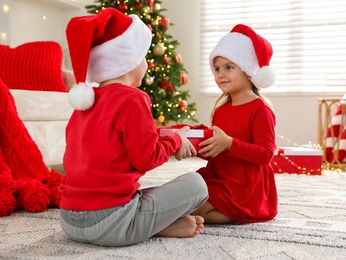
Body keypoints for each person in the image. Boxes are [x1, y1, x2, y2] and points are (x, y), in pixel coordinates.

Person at [59, 8, 208, 247]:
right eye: (143, 58)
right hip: (109, 223)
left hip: (69, 222)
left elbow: (113, 142)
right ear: (128, 62)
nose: (147, 65)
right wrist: (176, 141)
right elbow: (146, 158)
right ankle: (147, 225)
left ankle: (152, 223)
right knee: (196, 184)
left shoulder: (84, 104)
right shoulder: (133, 98)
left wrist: (163, 137)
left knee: (141, 193)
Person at [193, 24, 278, 224]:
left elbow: (265, 154)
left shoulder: (260, 110)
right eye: (217, 69)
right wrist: (200, 147)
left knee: (198, 210)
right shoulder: (221, 109)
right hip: (220, 175)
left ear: (248, 71)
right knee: (186, 196)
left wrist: (230, 143)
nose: (220, 74)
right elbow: (218, 149)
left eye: (228, 67)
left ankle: (242, 211)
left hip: (245, 183)